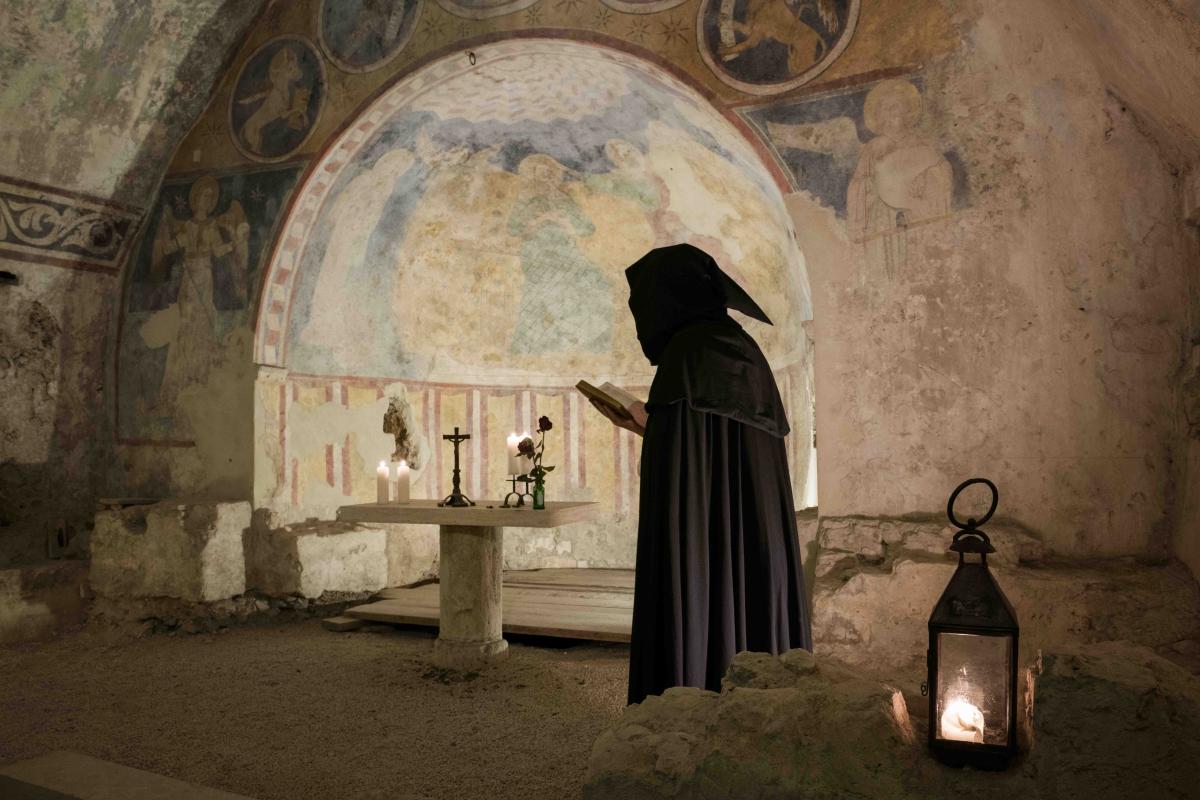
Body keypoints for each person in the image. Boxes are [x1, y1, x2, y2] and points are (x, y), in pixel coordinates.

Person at [590, 243, 811, 705]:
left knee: (699, 597)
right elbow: (710, 449)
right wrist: (647, 424)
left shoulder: (689, 353)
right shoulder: (740, 347)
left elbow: (687, 463)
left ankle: (688, 696)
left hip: (705, 536)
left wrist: (646, 420)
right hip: (753, 536)